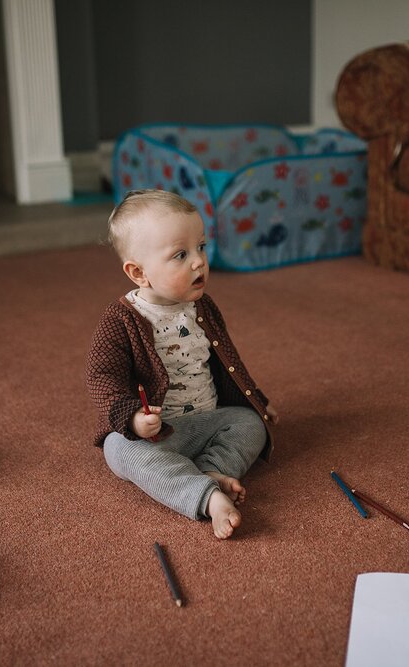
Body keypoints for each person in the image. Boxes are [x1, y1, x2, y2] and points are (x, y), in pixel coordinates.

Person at [87, 189, 278, 539]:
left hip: (207, 419)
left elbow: (228, 362)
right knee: (119, 451)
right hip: (156, 435)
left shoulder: (203, 307)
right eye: (180, 254)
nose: (198, 262)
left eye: (201, 247)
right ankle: (205, 496)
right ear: (138, 273)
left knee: (252, 423)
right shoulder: (122, 319)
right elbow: (102, 376)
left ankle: (211, 471)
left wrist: (258, 400)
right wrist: (132, 418)